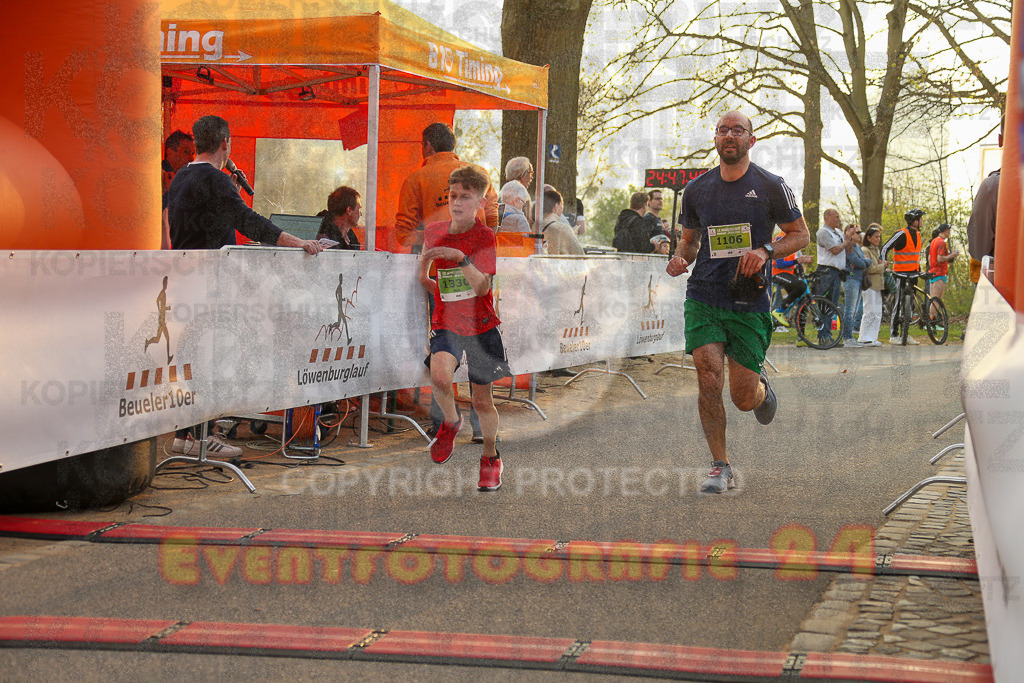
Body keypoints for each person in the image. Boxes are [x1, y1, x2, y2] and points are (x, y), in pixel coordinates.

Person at [666, 110, 809, 493]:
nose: (729, 135)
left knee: (743, 398)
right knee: (708, 374)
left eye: (738, 130)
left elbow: (800, 236)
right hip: (704, 295)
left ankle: (760, 388)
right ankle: (720, 465)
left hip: (749, 298)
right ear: (715, 139)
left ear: (751, 139)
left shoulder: (771, 186)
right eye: (723, 130)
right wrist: (682, 257)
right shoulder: (696, 190)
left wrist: (765, 250)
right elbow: (691, 240)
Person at [166, 114, 324, 456]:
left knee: (193, 357)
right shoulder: (215, 180)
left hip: (185, 280)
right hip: (209, 284)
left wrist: (230, 194)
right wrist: (296, 242)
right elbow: (249, 223)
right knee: (208, 359)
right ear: (226, 143)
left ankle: (186, 435)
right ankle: (199, 438)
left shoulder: (182, 176)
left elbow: (199, 221)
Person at [419, 165, 513, 491]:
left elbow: (483, 288)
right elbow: (425, 277)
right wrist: (433, 284)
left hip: (481, 325)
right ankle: (450, 421)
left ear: (480, 201)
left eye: (465, 197)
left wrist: (460, 258)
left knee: (482, 402)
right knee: (440, 377)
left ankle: (490, 457)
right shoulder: (434, 231)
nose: (456, 202)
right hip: (446, 322)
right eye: (453, 196)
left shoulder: (484, 236)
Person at [395, 123, 498, 251]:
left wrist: (438, 237)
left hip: (437, 260)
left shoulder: (415, 180)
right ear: (452, 145)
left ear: (428, 145)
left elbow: (404, 235)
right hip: (475, 258)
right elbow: (492, 218)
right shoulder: (479, 174)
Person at [881, 208, 926, 345]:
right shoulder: (901, 234)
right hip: (900, 274)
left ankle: (905, 334)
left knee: (910, 305)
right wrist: (884, 262)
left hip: (913, 274)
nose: (923, 221)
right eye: (921, 219)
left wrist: (920, 271)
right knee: (898, 304)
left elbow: (914, 257)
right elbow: (885, 248)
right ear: (914, 221)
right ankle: (894, 335)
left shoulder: (918, 235)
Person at [161, 130, 196, 249]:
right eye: (186, 152)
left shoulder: (181, 179)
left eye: (193, 153)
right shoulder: (160, 176)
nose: (191, 158)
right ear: (170, 153)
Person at [769, 230, 812, 328]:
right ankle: (778, 313)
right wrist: (797, 261)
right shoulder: (782, 239)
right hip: (777, 274)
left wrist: (801, 262)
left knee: (790, 295)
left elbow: (794, 260)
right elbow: (779, 263)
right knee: (801, 286)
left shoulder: (790, 239)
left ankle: (779, 321)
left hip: (787, 274)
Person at [813, 208, 853, 313]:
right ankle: (823, 328)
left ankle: (828, 328)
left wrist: (850, 238)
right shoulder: (823, 232)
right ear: (827, 218)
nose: (839, 220)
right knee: (825, 303)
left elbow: (846, 250)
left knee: (833, 304)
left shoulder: (838, 232)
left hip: (837, 272)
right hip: (826, 271)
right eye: (836, 217)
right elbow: (834, 250)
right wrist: (846, 241)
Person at [841, 223, 869, 348]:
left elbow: (867, 262)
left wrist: (863, 261)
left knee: (855, 309)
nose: (860, 234)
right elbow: (859, 262)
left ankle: (850, 336)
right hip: (851, 279)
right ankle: (847, 337)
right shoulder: (849, 246)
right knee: (850, 309)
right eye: (857, 232)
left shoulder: (858, 247)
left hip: (858, 279)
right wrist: (863, 261)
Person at [857, 224, 885, 346]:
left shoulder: (877, 250)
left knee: (878, 312)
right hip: (869, 285)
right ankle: (864, 337)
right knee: (869, 311)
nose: (878, 239)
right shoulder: (865, 250)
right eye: (876, 237)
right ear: (868, 238)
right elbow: (870, 268)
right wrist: (882, 265)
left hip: (879, 285)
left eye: (879, 237)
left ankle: (873, 337)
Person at [927, 223, 958, 319]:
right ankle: (932, 321)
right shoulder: (941, 242)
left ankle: (931, 322)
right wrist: (952, 255)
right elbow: (940, 258)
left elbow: (929, 258)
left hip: (932, 273)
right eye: (948, 230)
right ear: (945, 231)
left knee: (933, 300)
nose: (949, 232)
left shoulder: (934, 241)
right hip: (939, 274)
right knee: (936, 301)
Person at [316, 186, 362, 250]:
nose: (360, 214)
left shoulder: (351, 237)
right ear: (349, 210)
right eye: (359, 209)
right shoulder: (321, 234)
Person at [541, 187, 584, 255]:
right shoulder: (563, 228)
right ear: (556, 207)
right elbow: (580, 256)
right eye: (561, 206)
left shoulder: (534, 227)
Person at [505, 156, 535, 227]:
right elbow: (527, 222)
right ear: (521, 173)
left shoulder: (504, 191)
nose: (531, 177)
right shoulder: (522, 193)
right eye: (530, 172)